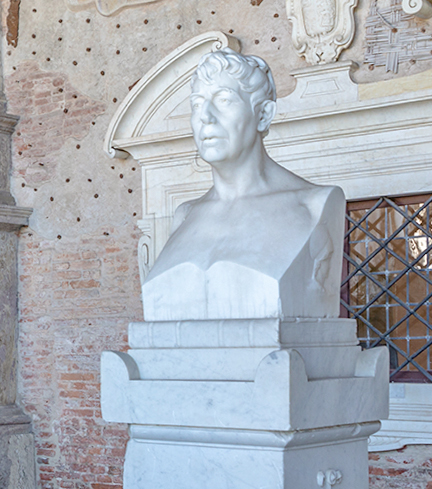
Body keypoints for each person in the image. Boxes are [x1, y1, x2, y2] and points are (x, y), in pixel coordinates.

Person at [141, 49, 343, 321]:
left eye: (224, 100)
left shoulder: (314, 205)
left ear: (263, 115)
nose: (206, 117)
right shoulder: (185, 216)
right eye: (197, 103)